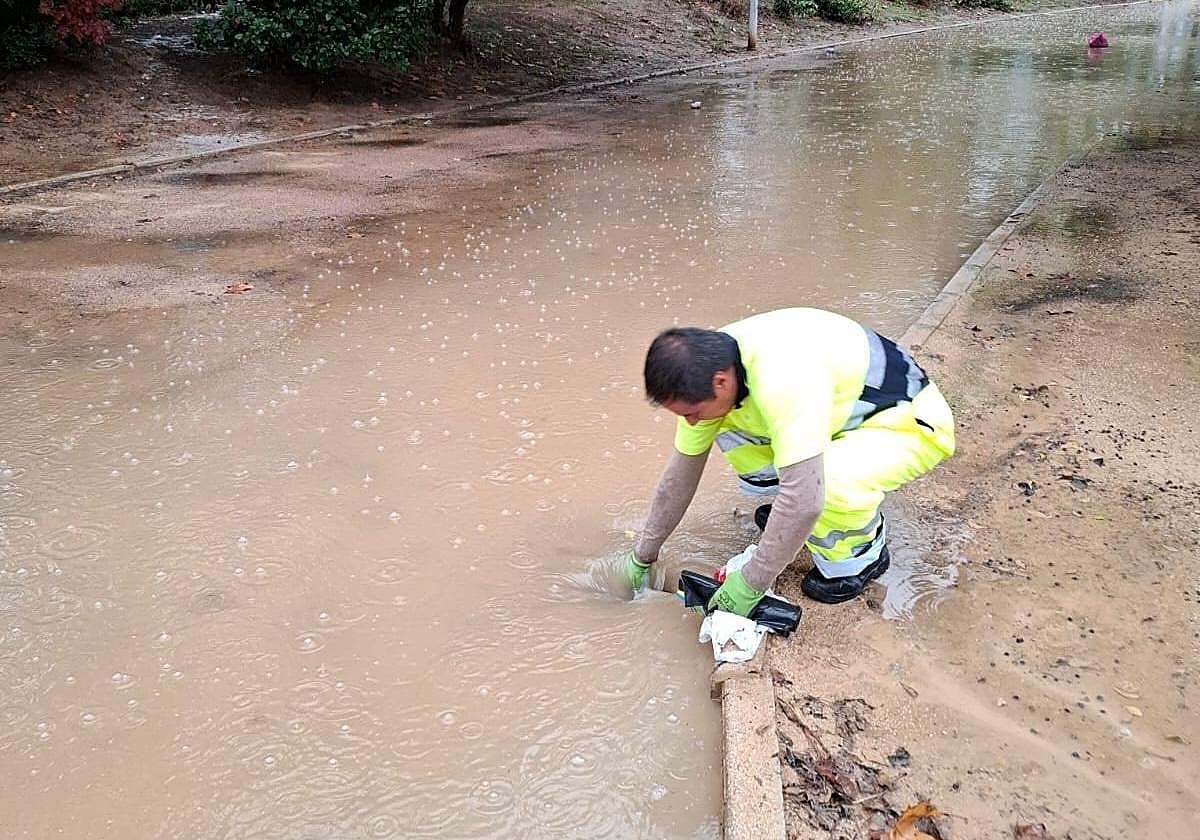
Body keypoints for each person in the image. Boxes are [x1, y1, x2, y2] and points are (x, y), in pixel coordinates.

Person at [623, 307, 956, 614]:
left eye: (691, 414)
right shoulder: (710, 366)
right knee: (726, 425)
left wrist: (751, 583)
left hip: (907, 423)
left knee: (826, 484)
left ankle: (860, 558)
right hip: (843, 415)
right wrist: (643, 554)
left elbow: (805, 501)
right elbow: (680, 477)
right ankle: (799, 523)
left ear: (720, 382)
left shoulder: (781, 378)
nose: (690, 422)